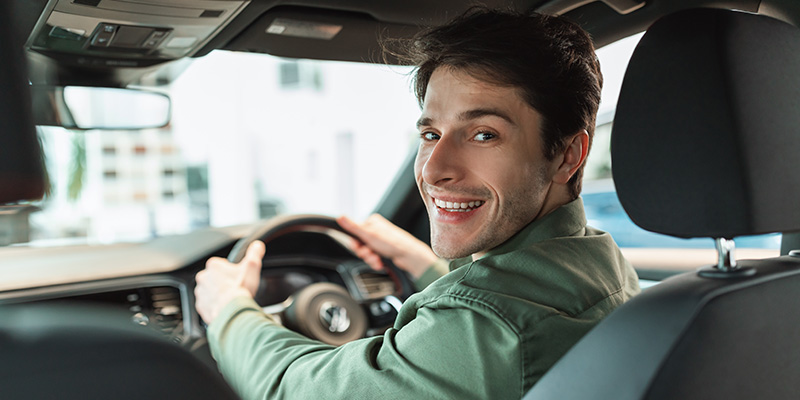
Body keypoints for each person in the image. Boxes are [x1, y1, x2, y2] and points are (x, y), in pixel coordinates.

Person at [194, 7, 640, 399]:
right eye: (430, 135)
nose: (432, 170)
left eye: (484, 134)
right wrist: (425, 266)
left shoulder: (489, 326)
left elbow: (298, 389)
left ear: (567, 155)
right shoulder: (598, 262)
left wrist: (230, 312)